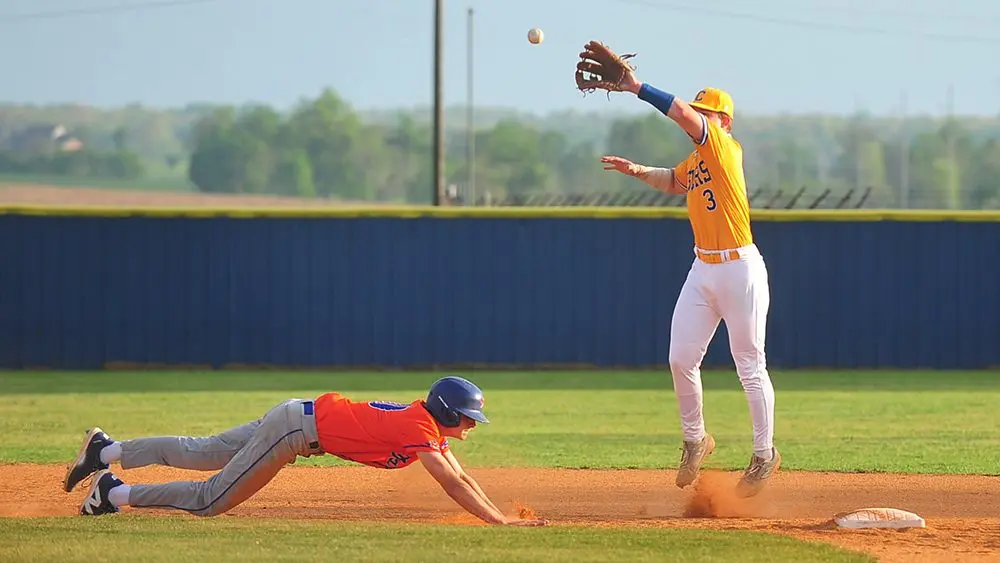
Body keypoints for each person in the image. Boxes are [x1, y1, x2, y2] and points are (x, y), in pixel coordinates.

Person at [596, 63, 780, 497]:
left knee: (749, 366)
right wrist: (637, 170)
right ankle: (696, 440)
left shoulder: (723, 147)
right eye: (700, 111)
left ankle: (763, 453)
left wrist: (635, 87)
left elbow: (678, 111)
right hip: (704, 268)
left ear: (724, 121)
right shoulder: (700, 160)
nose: (699, 116)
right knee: (681, 359)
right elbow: (675, 182)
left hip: (740, 268)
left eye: (707, 112)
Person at [63, 375, 548, 525]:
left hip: (299, 416)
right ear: (445, 411)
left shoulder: (428, 427)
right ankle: (114, 491)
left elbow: (460, 477)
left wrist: (500, 515)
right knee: (211, 498)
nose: (471, 426)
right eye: (467, 417)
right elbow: (448, 482)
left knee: (206, 451)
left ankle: (107, 451)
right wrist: (499, 521)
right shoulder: (418, 427)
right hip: (295, 430)